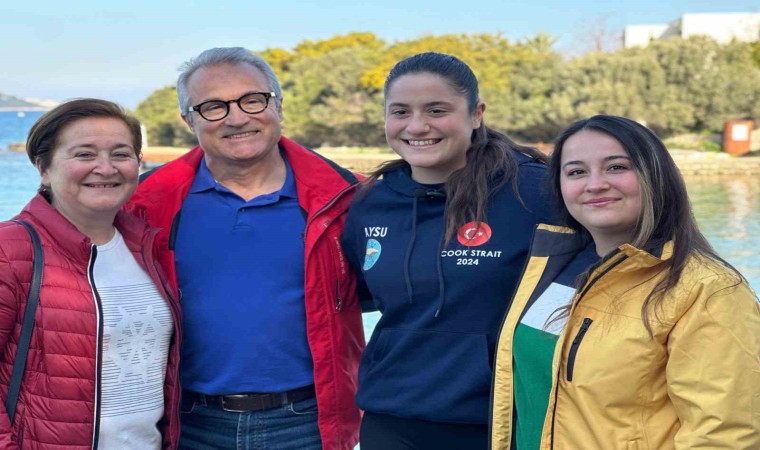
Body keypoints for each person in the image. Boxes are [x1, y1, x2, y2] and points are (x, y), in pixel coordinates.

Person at [125, 47, 363, 450]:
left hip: (307, 423)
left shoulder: (346, 198)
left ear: (278, 105)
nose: (236, 118)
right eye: (213, 107)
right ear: (188, 120)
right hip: (186, 422)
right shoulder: (143, 204)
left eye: (253, 100)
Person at [490, 115, 760, 449]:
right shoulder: (552, 267)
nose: (595, 184)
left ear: (655, 175)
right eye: (576, 172)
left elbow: (724, 436)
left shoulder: (709, 291)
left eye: (616, 167)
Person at [340, 52, 553, 450]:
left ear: (476, 114)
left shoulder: (535, 191)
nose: (417, 126)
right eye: (400, 112)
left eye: (437, 110)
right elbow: (365, 294)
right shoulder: (371, 202)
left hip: (500, 419)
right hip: (392, 417)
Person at [0, 99, 182, 449]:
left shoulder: (148, 248)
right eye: (84, 154)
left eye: (121, 154)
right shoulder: (10, 249)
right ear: (44, 168)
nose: (106, 168)